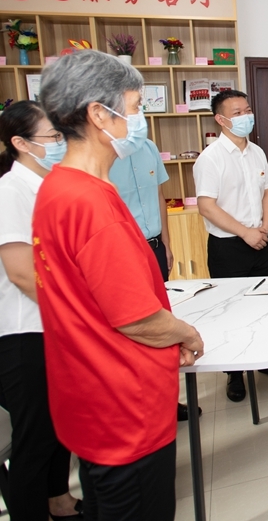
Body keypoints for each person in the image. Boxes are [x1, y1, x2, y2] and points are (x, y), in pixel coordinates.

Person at [32, 49, 204, 520]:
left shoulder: (57, 187)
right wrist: (187, 333)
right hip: (124, 406)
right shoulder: (91, 204)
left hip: (88, 395)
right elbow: (138, 319)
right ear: (98, 114)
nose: (138, 119)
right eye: (134, 107)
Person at [0, 101, 83, 520]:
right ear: (20, 143)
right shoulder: (10, 191)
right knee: (33, 439)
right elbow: (20, 273)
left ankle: (60, 500)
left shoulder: (50, 186)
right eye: (52, 136)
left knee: (59, 426)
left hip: (55, 327)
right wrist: (75, 312)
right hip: (25, 332)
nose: (60, 143)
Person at [193, 89, 268, 402]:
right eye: (237, 113)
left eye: (247, 110)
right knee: (230, 312)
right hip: (228, 247)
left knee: (262, 305)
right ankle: (234, 375)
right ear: (221, 120)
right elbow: (206, 206)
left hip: (259, 240)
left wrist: (265, 227)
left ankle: (266, 361)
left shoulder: (256, 152)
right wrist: (245, 233)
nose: (246, 116)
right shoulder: (211, 158)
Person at [109, 135, 200, 422]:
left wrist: (167, 244)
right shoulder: (104, 154)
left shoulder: (148, 147)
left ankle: (166, 400)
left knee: (160, 321)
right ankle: (138, 403)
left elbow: (159, 196)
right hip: (123, 250)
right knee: (135, 327)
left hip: (155, 246)